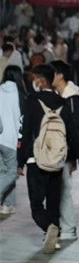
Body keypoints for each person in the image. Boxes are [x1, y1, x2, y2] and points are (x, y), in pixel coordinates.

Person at [17, 63, 79, 254]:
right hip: (57, 160)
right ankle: (54, 237)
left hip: (36, 159)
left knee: (37, 205)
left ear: (40, 81)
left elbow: (24, 131)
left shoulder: (31, 101)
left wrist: (20, 161)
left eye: (34, 79)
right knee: (53, 202)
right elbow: (73, 133)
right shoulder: (62, 102)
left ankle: (49, 228)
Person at [50, 60, 79, 241]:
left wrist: (78, 157)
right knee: (57, 190)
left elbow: (76, 130)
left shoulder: (71, 99)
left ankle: (68, 228)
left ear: (60, 76)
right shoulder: (59, 96)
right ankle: (61, 227)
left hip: (65, 152)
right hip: (56, 151)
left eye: (51, 73)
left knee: (63, 189)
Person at [0, 65, 25, 216]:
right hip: (11, 139)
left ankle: (7, 205)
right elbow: (21, 119)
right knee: (12, 173)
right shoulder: (20, 93)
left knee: (3, 171)